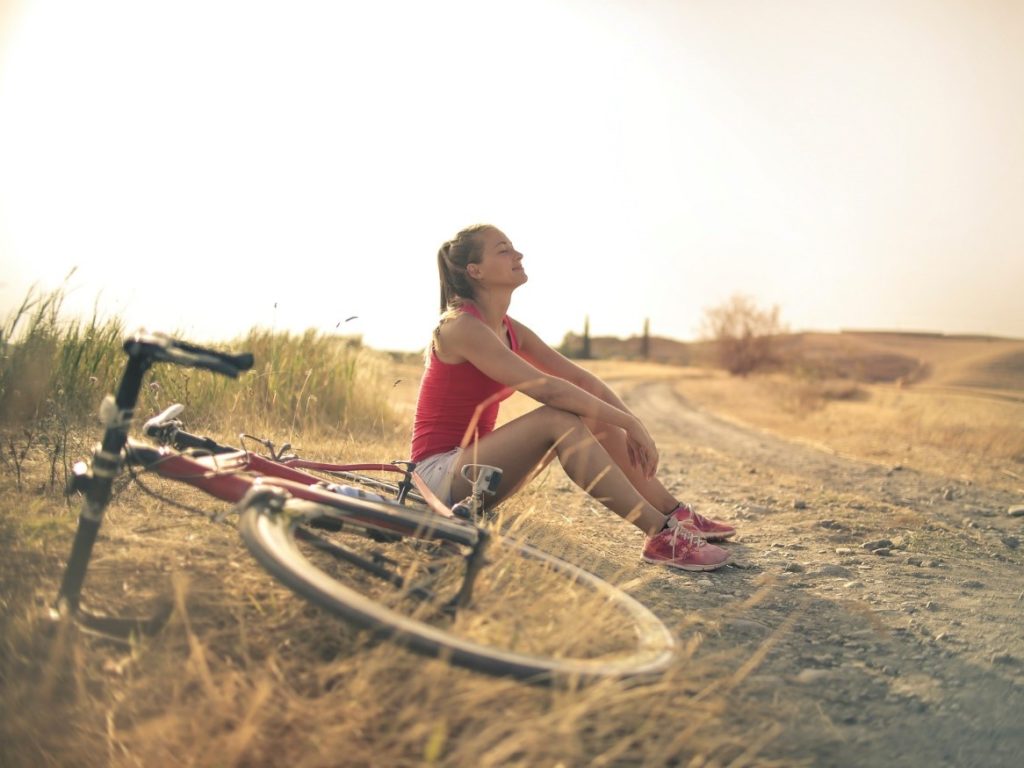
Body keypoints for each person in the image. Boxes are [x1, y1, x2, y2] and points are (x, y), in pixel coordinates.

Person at [410, 224, 736, 571]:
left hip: (478, 474)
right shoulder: (460, 327)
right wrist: (627, 422)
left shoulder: (508, 328)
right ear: (475, 271)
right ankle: (659, 534)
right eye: (503, 250)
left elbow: (579, 378)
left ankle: (674, 514)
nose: (517, 255)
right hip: (435, 478)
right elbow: (547, 388)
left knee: (593, 412)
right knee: (558, 417)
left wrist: (630, 423)